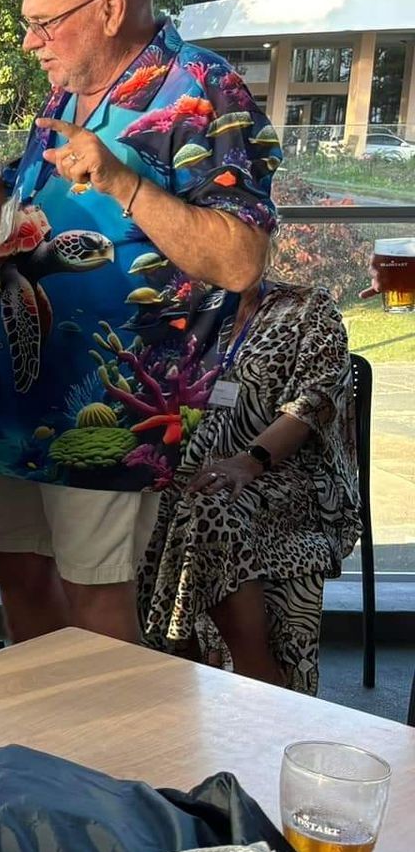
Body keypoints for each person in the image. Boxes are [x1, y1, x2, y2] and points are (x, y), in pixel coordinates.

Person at [0, 0, 278, 645]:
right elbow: (20, 207)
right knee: (14, 564)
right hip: (25, 394)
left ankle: (102, 722)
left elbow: (240, 260)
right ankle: (38, 712)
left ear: (109, 10)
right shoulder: (69, 95)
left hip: (111, 406)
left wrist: (120, 178)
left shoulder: (200, 87)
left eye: (44, 23)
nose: (30, 43)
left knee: (94, 594)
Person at [139, 280, 360, 692]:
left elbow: (314, 402)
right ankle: (176, 672)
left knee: (208, 507)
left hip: (287, 473)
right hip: (194, 468)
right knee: (147, 503)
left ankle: (257, 675)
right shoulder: (200, 307)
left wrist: (250, 461)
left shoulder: (308, 306)